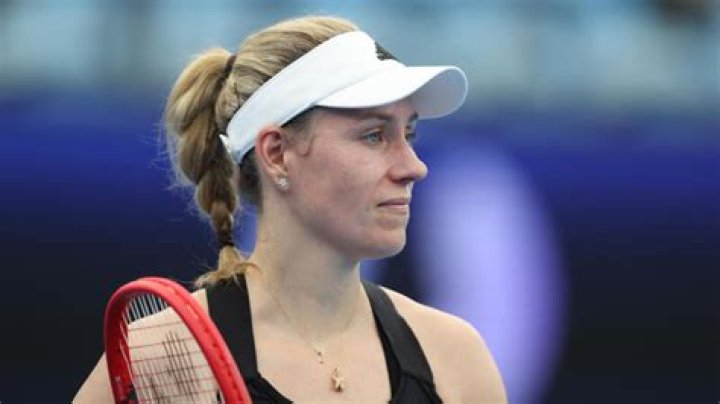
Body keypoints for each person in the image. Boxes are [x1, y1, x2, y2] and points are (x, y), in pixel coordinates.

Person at [74, 15, 507, 403]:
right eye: (374, 135)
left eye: (408, 135)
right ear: (277, 154)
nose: (413, 167)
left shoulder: (456, 359)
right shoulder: (164, 359)